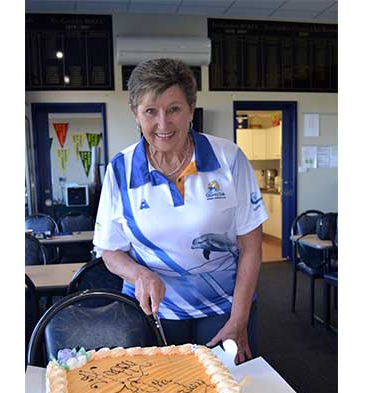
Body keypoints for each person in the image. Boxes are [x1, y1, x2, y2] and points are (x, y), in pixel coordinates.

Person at [93, 58, 267, 365]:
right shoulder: (120, 169)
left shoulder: (228, 158)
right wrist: (140, 273)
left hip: (224, 306)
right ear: (135, 114)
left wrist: (239, 318)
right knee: (160, 392)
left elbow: (251, 245)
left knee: (228, 388)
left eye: (174, 109)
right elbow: (109, 250)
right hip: (153, 310)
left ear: (191, 109)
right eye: (150, 111)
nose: (163, 124)